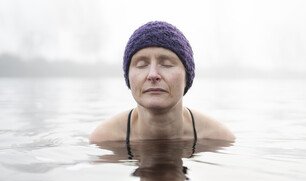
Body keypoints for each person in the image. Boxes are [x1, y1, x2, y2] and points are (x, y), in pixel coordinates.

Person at [89, 21, 235, 144]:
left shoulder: (219, 139)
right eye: (141, 65)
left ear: (187, 75)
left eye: (166, 64)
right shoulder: (104, 140)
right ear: (128, 77)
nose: (153, 75)